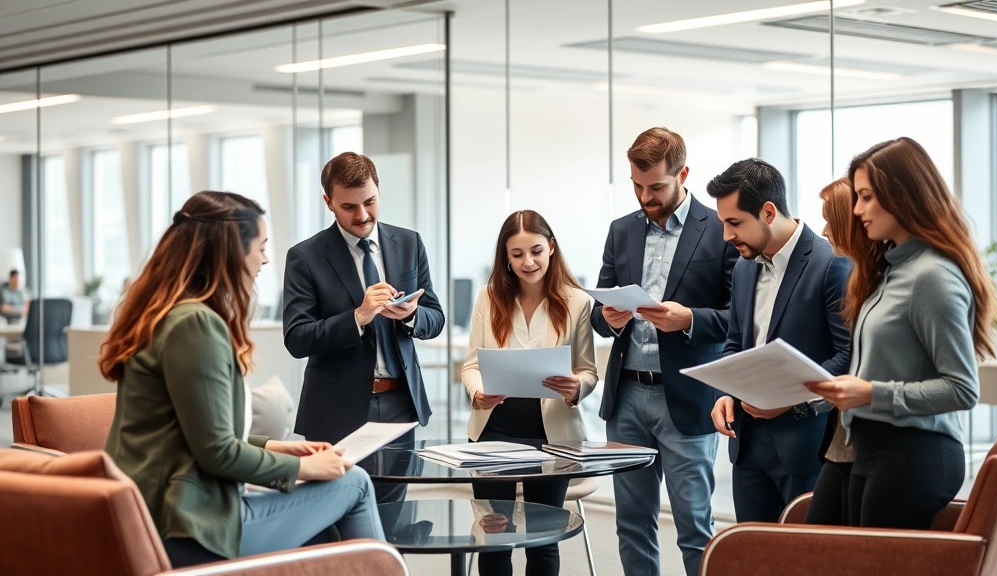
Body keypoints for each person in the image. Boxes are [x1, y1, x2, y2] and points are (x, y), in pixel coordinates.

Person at [100, 191, 383, 568]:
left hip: (157, 514)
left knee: (322, 524)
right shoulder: (196, 324)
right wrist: (303, 469)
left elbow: (194, 429)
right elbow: (216, 451)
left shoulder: (166, 314)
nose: (265, 258)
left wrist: (276, 448)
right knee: (355, 483)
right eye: (261, 246)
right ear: (233, 251)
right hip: (184, 525)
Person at [805, 137, 997, 529]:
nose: (856, 210)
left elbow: (962, 389)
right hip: (873, 448)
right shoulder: (889, 270)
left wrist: (871, 392)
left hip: (913, 452)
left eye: (866, 197)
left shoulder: (932, 276)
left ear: (903, 195)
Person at [590, 127, 738, 576]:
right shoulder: (621, 232)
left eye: (656, 187)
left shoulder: (719, 230)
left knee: (694, 525)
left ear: (683, 174)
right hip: (627, 398)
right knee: (632, 525)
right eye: (637, 186)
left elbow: (740, 317)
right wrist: (608, 319)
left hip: (688, 399)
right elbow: (599, 315)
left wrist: (689, 319)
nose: (645, 196)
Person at [283, 151, 444, 505]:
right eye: (349, 207)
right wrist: (358, 316)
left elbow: (435, 317)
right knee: (336, 517)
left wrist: (411, 316)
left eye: (369, 202)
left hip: (400, 404)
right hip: (337, 409)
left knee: (394, 518)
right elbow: (296, 337)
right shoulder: (305, 257)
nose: (362, 215)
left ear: (378, 191)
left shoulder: (408, 243)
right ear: (328, 202)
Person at [706, 159, 851, 523]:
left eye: (735, 223)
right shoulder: (742, 266)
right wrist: (724, 392)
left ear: (768, 212)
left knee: (806, 558)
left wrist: (786, 397)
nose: (726, 235)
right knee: (754, 555)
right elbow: (735, 342)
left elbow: (848, 354)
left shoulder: (830, 262)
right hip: (747, 445)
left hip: (806, 446)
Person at [462, 210, 599, 576]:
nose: (528, 262)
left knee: (543, 541)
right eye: (517, 253)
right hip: (493, 434)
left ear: (551, 248)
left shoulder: (577, 302)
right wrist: (478, 393)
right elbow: (471, 365)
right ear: (505, 256)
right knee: (495, 538)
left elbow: (588, 370)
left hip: (552, 437)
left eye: (536, 250)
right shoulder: (488, 299)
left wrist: (576, 388)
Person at [804, 176, 866, 526]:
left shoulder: (852, 276)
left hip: (866, 445)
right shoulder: (859, 281)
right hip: (841, 443)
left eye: (831, 220)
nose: (824, 231)